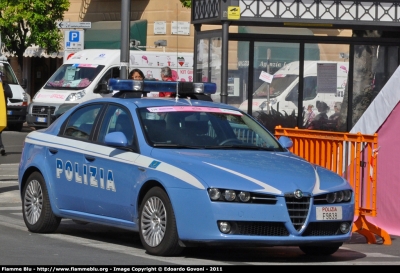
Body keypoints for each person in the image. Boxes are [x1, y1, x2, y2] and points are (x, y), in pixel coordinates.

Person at [0, 73, 13, 156]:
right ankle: (1, 147)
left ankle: (1, 147)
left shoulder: (5, 86)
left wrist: (3, 90)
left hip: (2, 111)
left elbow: (10, 95)